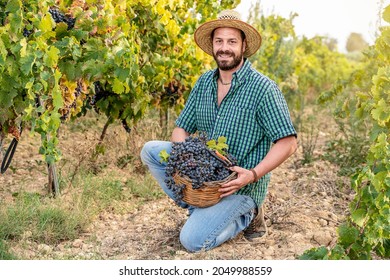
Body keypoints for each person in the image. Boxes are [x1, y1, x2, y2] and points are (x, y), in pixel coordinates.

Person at [141, 10, 297, 252]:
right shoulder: (204, 82)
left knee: (192, 241)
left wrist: (253, 174)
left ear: (244, 46)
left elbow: (288, 142)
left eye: (232, 41)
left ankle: (249, 214)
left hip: (240, 185)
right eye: (219, 41)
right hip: (206, 180)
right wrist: (185, 160)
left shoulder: (263, 89)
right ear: (212, 45)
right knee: (151, 151)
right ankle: (199, 206)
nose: (225, 48)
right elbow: (181, 128)